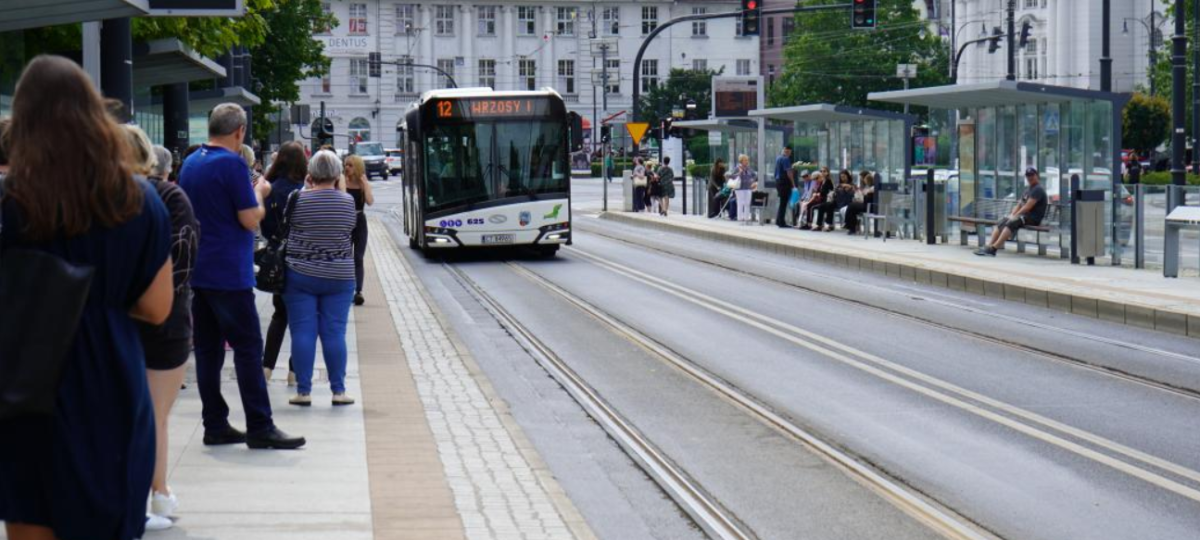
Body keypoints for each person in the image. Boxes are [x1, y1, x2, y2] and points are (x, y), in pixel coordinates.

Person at [0, 55, 173, 540]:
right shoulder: (139, 200)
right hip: (110, 383)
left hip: (27, 389)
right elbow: (157, 308)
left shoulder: (11, 202)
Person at [179, 102, 305, 450]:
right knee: (249, 347)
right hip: (229, 272)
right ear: (240, 132)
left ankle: (215, 423)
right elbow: (251, 218)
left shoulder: (191, 163)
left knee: (207, 350)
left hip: (200, 270)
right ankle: (260, 426)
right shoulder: (232, 163)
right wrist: (260, 194)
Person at [125, 131, 200, 531]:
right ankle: (152, 494)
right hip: (166, 318)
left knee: (136, 414)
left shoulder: (100, 196)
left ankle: (153, 493)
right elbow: (185, 259)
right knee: (156, 415)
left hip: (116, 319)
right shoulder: (170, 198)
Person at [285, 151, 359, 407]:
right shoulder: (347, 202)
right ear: (337, 174)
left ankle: (303, 392)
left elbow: (288, 224)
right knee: (335, 333)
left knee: (303, 332)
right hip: (339, 275)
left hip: (300, 273)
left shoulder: (297, 199)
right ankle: (338, 391)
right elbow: (350, 229)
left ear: (311, 173)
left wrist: (307, 190)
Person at [261, 141, 308, 384]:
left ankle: (267, 367)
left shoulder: (271, 188)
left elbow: (264, 224)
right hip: (300, 258)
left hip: (277, 260)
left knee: (279, 315)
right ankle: (293, 371)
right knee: (300, 319)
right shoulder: (304, 190)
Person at [976, 167, 1048, 257]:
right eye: (1028, 176)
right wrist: (1012, 214)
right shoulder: (1028, 190)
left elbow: (1027, 207)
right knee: (1002, 222)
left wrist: (1015, 216)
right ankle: (989, 246)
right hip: (1024, 217)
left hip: (1033, 218)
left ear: (1037, 176)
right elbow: (1019, 204)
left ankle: (994, 248)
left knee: (1012, 222)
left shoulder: (1038, 189)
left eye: (1032, 175)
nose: (1030, 178)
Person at [343, 154, 374, 305]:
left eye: (350, 165)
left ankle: (358, 291)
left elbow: (370, 202)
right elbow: (341, 199)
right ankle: (347, 289)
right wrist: (343, 182)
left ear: (358, 167)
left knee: (358, 257)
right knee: (346, 257)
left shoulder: (363, 184)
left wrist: (365, 184)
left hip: (360, 221)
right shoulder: (342, 182)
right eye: (346, 165)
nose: (347, 168)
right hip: (346, 221)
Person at [844, 170, 876, 235]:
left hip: (868, 206)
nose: (863, 180)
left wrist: (865, 192)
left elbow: (868, 192)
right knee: (852, 207)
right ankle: (851, 227)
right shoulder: (868, 187)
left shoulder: (872, 188)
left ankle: (849, 226)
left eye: (864, 179)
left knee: (851, 206)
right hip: (866, 205)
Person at [728, 154, 758, 224]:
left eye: (747, 160)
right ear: (741, 161)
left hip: (748, 187)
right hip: (739, 188)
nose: (747, 161)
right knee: (740, 203)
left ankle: (746, 218)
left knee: (747, 203)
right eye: (745, 160)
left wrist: (752, 181)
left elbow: (755, 175)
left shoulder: (749, 168)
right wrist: (739, 173)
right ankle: (740, 218)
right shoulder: (737, 168)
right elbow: (732, 176)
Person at [774, 146, 795, 228]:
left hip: (778, 182)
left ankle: (778, 220)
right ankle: (781, 222)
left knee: (782, 202)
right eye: (789, 152)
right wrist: (793, 184)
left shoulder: (778, 158)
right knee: (783, 203)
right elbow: (789, 173)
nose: (789, 153)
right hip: (784, 182)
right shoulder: (786, 159)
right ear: (789, 152)